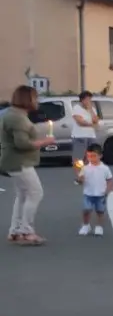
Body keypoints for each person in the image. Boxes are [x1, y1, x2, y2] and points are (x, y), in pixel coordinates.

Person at [2, 84, 56, 244]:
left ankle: (15, 231)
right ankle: (26, 231)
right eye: (35, 97)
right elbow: (22, 143)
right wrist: (44, 142)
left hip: (12, 161)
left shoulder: (11, 114)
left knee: (22, 195)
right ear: (28, 99)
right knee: (35, 193)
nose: (37, 101)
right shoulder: (18, 118)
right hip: (19, 162)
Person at [76, 142, 112, 236]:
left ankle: (99, 227)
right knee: (86, 210)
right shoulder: (85, 168)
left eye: (94, 156)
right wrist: (80, 179)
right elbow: (80, 181)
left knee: (100, 211)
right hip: (88, 194)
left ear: (100, 156)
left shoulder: (105, 168)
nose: (91, 158)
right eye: (89, 156)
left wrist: (107, 190)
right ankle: (86, 225)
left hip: (101, 194)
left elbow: (109, 180)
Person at [70, 90, 100, 166]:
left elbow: (96, 120)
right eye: (87, 99)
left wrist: (90, 110)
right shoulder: (76, 108)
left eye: (90, 99)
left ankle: (86, 173)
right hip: (80, 136)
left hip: (91, 136)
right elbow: (80, 122)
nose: (88, 101)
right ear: (82, 100)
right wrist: (91, 124)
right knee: (78, 158)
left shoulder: (92, 109)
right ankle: (80, 175)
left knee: (89, 157)